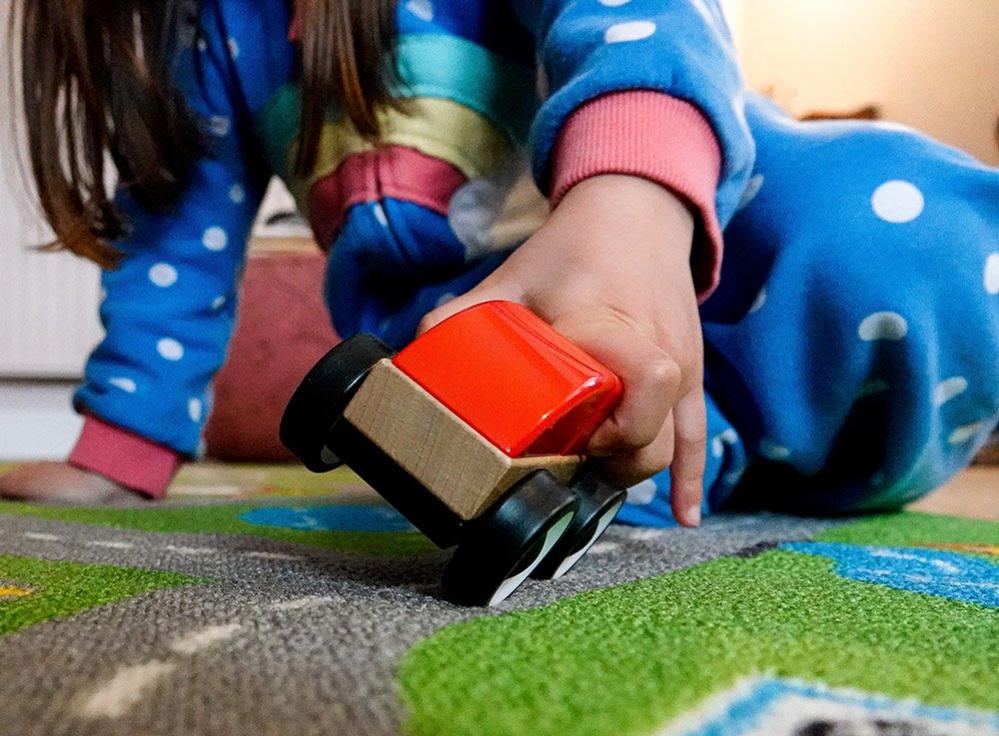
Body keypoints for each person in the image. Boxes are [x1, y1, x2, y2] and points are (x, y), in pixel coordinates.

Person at [2, 0, 996, 530]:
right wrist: (122, 449)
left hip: (718, 226)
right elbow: (178, 244)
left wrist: (630, 208)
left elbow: (637, 14)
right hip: (467, 335)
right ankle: (691, 459)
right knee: (455, 440)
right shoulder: (206, 28)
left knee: (896, 211)